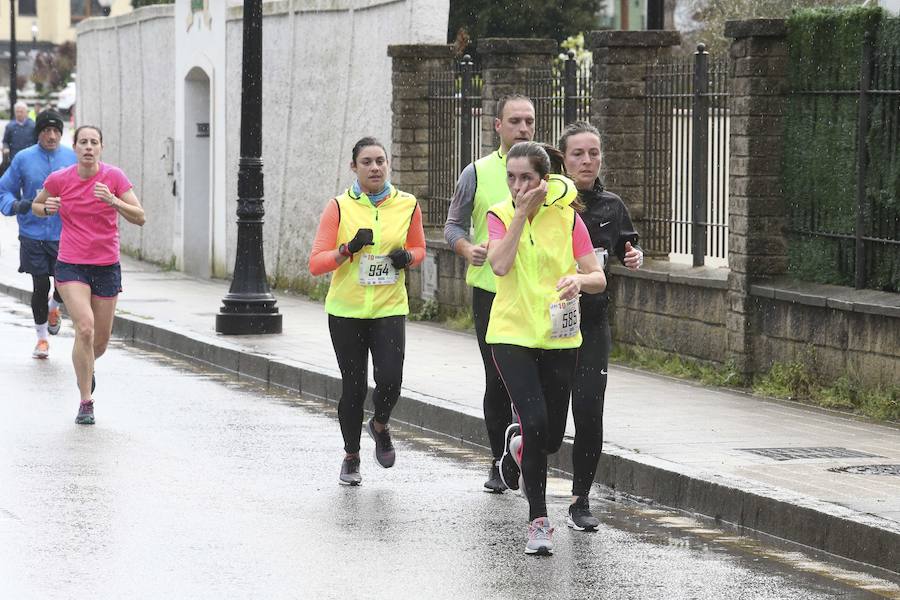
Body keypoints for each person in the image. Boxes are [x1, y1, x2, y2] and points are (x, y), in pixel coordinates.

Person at [486, 141, 606, 555]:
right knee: (535, 422)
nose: (518, 187)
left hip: (559, 337)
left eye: (527, 179)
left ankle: (517, 445)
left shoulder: (569, 219)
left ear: (544, 180)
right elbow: (499, 265)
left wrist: (579, 281)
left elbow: (598, 276)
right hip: (511, 335)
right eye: (512, 178)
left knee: (551, 438)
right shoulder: (501, 214)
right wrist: (520, 213)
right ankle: (539, 521)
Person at [308, 136, 426, 486]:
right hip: (346, 310)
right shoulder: (339, 207)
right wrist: (347, 249)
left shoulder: (407, 204)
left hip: (389, 308)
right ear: (354, 167)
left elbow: (418, 247)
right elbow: (316, 263)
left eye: (380, 161)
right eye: (367, 162)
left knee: (390, 380)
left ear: (388, 164)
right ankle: (351, 455)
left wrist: (408, 257)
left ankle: (380, 424)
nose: (375, 167)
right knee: (354, 387)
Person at [444, 93, 535, 493]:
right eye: (514, 121)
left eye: (529, 120)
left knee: (534, 381)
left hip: (535, 293)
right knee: (498, 378)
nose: (523, 128)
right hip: (490, 293)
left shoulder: (548, 170)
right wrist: (468, 249)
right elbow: (452, 226)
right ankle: (498, 460)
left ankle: (529, 455)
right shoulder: (477, 173)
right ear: (497, 126)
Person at [559, 121, 643, 531]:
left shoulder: (611, 205)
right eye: (578, 153)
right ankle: (519, 444)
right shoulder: (548, 204)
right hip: (549, 325)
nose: (587, 161)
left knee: (590, 413)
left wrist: (634, 256)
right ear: (563, 159)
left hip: (592, 324)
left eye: (594, 153)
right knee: (550, 422)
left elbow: (628, 244)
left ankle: (580, 500)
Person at [32, 125, 145, 425]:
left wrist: (113, 201)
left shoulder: (114, 178)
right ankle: (86, 401)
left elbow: (140, 216)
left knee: (100, 343)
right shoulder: (60, 179)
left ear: (101, 148)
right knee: (84, 328)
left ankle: (87, 367)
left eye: (94, 142)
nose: (88, 147)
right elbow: (37, 204)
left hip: (107, 264)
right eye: (83, 142)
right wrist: (47, 208)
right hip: (71, 264)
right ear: (75, 147)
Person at [0, 109, 76, 358]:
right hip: (32, 233)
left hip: (65, 234)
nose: (51, 136)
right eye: (46, 131)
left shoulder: (71, 158)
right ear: (38, 134)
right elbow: (5, 190)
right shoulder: (23, 158)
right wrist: (15, 205)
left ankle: (55, 307)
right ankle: (42, 339)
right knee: (40, 284)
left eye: (56, 131)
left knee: (64, 286)